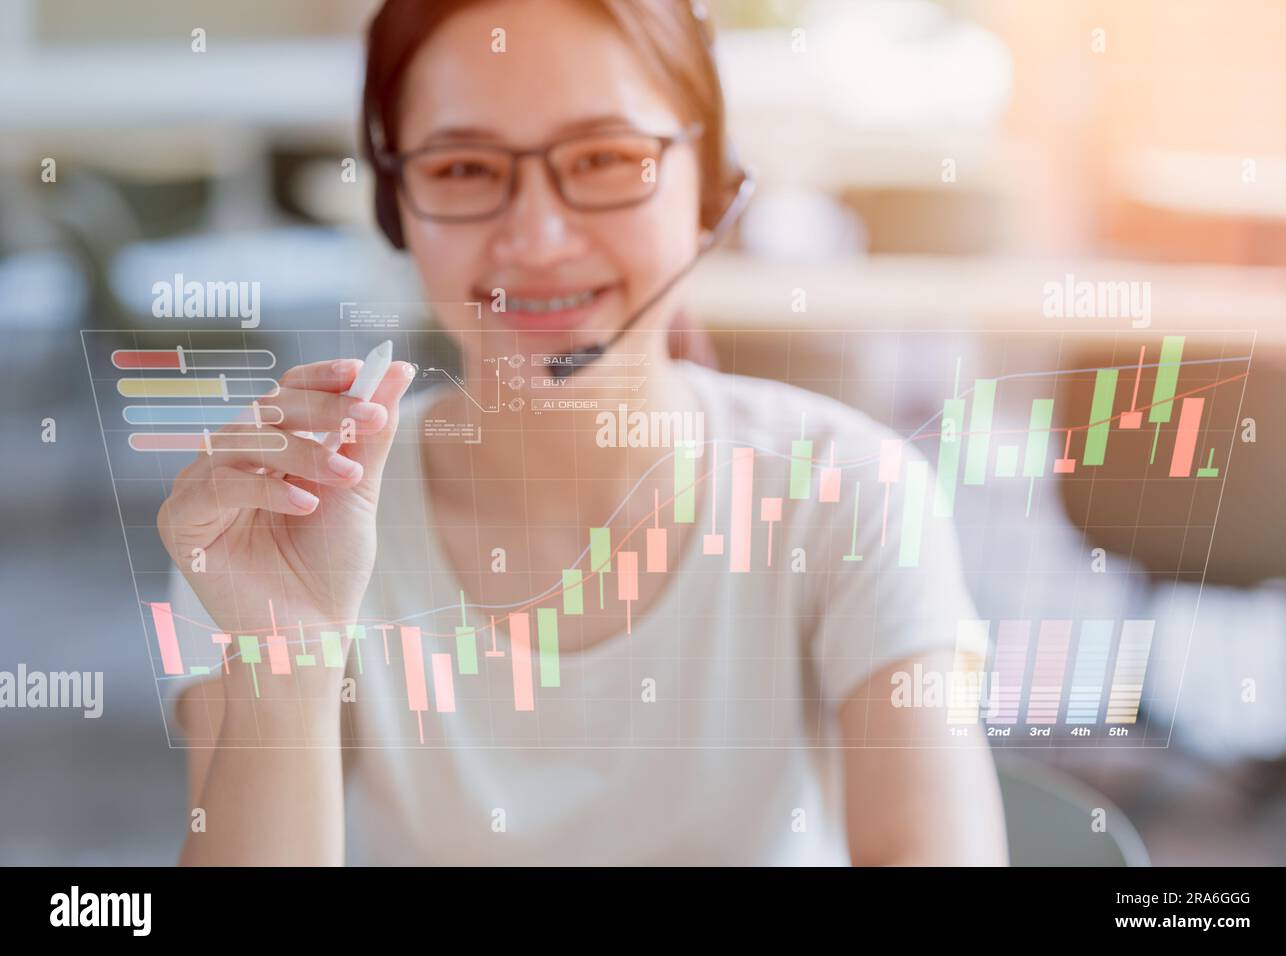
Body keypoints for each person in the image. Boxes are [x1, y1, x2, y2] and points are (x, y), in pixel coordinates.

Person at [160, 0, 1007, 865]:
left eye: (605, 158)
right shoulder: (292, 523)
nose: (536, 238)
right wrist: (288, 659)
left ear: (712, 184)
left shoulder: (849, 491)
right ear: (395, 206)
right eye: (462, 169)